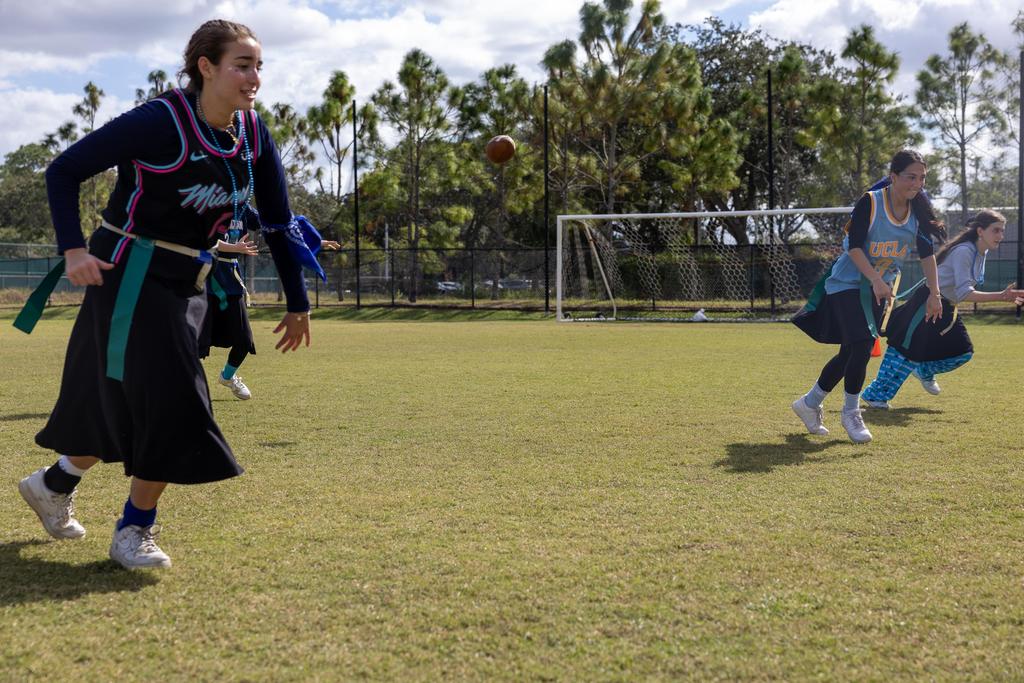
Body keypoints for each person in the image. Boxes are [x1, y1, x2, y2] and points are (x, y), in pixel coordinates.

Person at [16, 19, 321, 570]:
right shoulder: (160, 120)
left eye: (258, 66)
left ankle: (53, 484)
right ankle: (134, 529)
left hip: (188, 281)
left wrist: (298, 304)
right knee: (178, 396)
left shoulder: (253, 133)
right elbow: (63, 171)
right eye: (242, 65)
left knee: (127, 403)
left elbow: (279, 223)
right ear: (206, 67)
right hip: (127, 273)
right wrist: (72, 250)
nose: (254, 77)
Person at [790, 149, 945, 443]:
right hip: (846, 284)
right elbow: (854, 247)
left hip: (879, 289)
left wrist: (934, 294)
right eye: (911, 177)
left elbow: (927, 256)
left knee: (850, 352)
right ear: (893, 176)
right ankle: (851, 412)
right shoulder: (871, 202)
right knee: (862, 344)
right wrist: (874, 278)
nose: (917, 184)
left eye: (922, 178)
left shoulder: (918, 211)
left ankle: (809, 403)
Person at [862, 209, 1024, 408]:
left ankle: (923, 370)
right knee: (903, 349)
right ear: (980, 231)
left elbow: (960, 292)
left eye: (1002, 231)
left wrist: (1003, 296)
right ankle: (875, 395)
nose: (1001, 236)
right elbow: (964, 293)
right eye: (996, 230)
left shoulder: (982, 252)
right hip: (928, 301)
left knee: (962, 352)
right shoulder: (965, 251)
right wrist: (1001, 296)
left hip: (947, 307)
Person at [201, 232, 339, 401]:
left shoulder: (245, 215)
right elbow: (203, 237)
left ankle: (227, 377)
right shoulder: (210, 214)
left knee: (244, 341)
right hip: (203, 283)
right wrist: (234, 247)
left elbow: (279, 232)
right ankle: (183, 383)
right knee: (196, 343)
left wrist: (317, 241)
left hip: (232, 286)